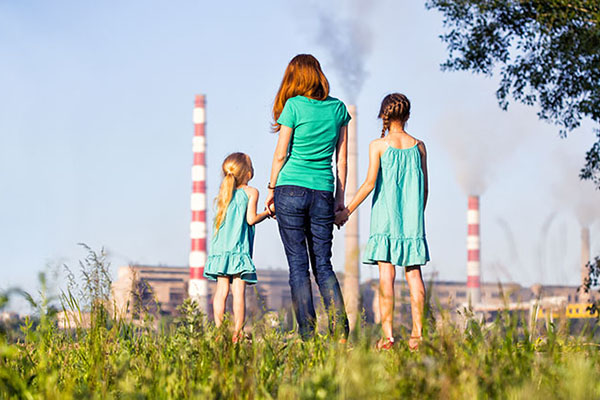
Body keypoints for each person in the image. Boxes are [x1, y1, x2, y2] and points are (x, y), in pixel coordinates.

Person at [265, 54, 350, 340]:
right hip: (324, 191)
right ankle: (341, 332)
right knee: (323, 264)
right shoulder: (338, 109)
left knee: (298, 265)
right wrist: (340, 198)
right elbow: (342, 161)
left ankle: (308, 335)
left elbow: (281, 153)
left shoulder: (293, 106)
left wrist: (271, 189)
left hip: (289, 188)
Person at [335, 93, 430, 350]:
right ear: (407, 116)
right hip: (412, 221)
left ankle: (388, 337)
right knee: (414, 276)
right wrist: (415, 215)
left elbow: (368, 184)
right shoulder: (419, 146)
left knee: (386, 277)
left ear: (383, 115)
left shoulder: (378, 145)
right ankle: (418, 336)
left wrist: (347, 211)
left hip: (385, 220)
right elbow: (425, 190)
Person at [204, 152, 270, 342]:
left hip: (219, 251)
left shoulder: (222, 195)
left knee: (221, 291)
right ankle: (237, 333)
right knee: (239, 292)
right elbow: (251, 219)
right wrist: (267, 213)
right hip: (238, 250)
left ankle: (218, 331)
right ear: (248, 173)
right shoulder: (251, 192)